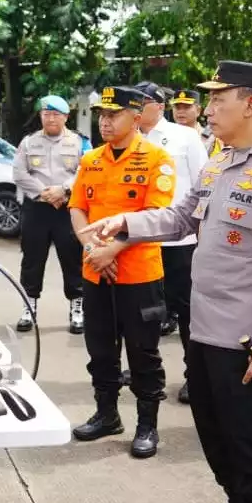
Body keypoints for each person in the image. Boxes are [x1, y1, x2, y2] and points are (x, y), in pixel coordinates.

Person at [83, 61, 252, 503]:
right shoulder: (218, 161)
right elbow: (178, 217)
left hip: (249, 340)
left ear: (250, 104)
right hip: (206, 330)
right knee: (214, 429)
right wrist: (126, 220)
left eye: (217, 100)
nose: (207, 109)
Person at [68, 87, 172, 459]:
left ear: (137, 115)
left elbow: (157, 216)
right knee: (99, 347)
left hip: (138, 273)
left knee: (143, 352)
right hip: (96, 270)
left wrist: (114, 247)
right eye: (101, 115)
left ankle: (147, 424)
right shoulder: (91, 159)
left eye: (113, 114)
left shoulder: (157, 159)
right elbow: (77, 207)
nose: (105, 121)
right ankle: (107, 414)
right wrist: (94, 249)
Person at [137, 81, 208, 403]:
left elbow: (205, 183)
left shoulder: (185, 136)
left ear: (159, 105)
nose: (137, 108)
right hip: (141, 240)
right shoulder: (130, 138)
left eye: (144, 102)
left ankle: (195, 375)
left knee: (188, 313)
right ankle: (146, 372)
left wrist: (203, 232)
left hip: (180, 241)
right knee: (145, 313)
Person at [13, 95, 91, 335]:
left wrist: (63, 189)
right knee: (32, 259)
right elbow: (19, 172)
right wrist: (44, 193)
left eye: (56, 114)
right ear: (41, 116)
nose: (51, 118)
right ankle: (29, 307)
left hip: (67, 209)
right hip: (37, 208)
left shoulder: (79, 142)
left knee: (73, 259)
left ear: (66, 117)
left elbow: (85, 171)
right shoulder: (28, 142)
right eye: (46, 114)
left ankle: (77, 308)